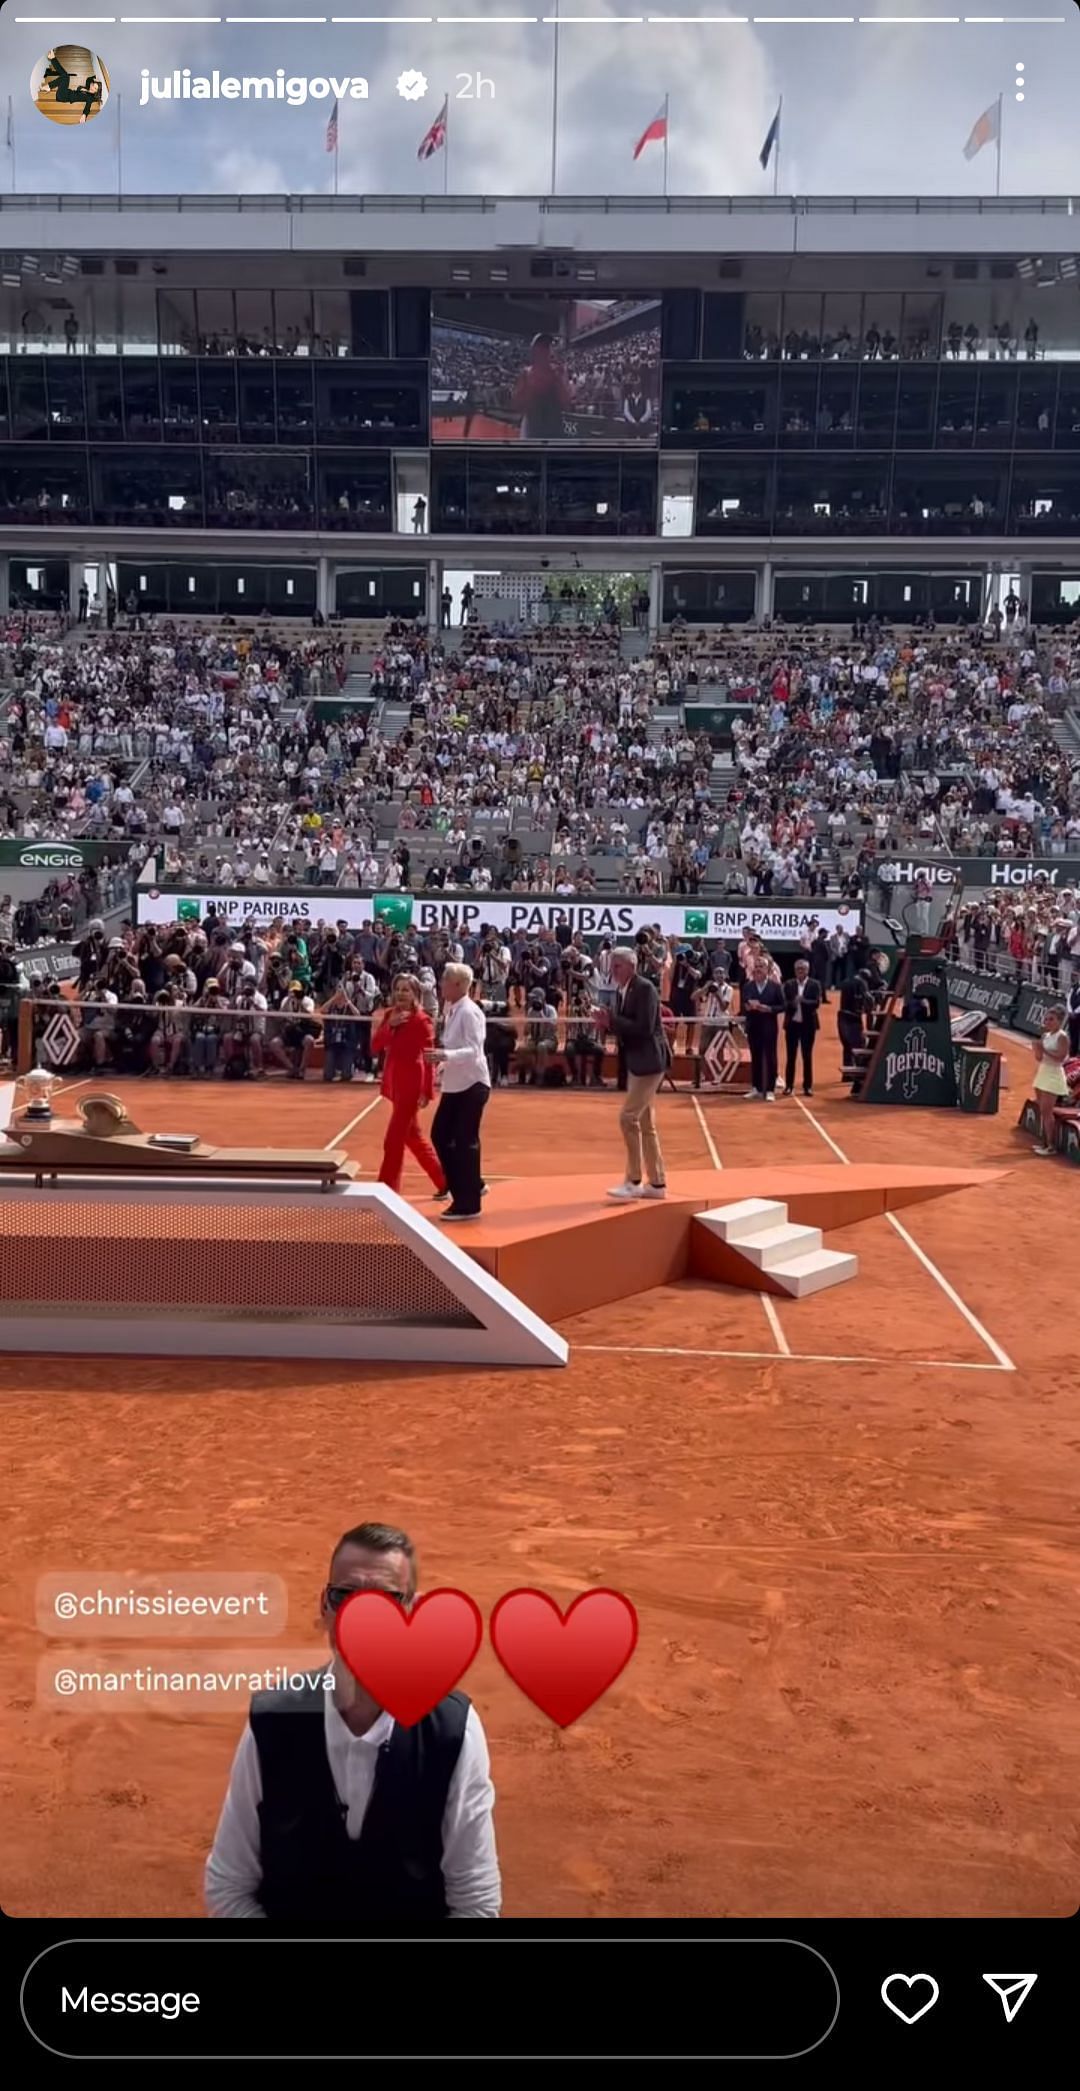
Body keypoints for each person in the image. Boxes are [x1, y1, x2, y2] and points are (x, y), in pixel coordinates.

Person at [204, 1521, 500, 1920]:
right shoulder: (271, 1724)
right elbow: (229, 1885)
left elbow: (475, 1904)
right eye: (346, 1596)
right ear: (324, 1606)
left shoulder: (455, 1732)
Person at [600, 945, 668, 1201]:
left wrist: (612, 1021)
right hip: (638, 1062)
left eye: (617, 966)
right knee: (647, 1124)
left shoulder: (645, 988)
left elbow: (644, 1027)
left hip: (649, 1063)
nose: (613, 970)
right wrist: (607, 1024)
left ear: (631, 966)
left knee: (628, 1118)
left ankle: (634, 1180)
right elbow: (627, 1028)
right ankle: (657, 1183)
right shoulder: (624, 989)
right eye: (612, 966)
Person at [426, 964, 490, 1222]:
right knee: (440, 1135)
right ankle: (471, 1184)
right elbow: (455, 1048)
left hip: (472, 1085)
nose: (440, 984)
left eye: (444, 980)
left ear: (458, 985)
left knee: (464, 1141)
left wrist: (445, 1055)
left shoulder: (469, 1012)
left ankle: (468, 1204)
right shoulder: (451, 1010)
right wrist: (442, 1065)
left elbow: (473, 1051)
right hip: (455, 1084)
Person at [372, 974, 446, 1197]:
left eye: (406, 990)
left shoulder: (421, 1021)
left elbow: (429, 1057)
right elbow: (375, 1046)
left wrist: (426, 1090)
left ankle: (386, 1191)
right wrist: (390, 1026)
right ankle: (445, 1181)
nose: (401, 994)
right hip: (394, 1083)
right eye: (398, 989)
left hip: (411, 1085)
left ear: (416, 994)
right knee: (412, 1137)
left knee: (393, 1141)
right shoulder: (389, 1015)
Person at [741, 954, 784, 1101]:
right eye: (756, 966)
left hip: (769, 1026)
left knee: (770, 1057)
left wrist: (769, 1009)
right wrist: (748, 1006)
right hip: (754, 1025)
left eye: (761, 966)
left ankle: (770, 1090)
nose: (758, 969)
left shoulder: (776, 987)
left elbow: (783, 1006)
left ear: (768, 969)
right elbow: (744, 1004)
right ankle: (756, 1088)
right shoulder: (748, 986)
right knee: (756, 1057)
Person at [1031, 1004, 1070, 1157]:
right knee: (1042, 1111)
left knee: (1047, 1112)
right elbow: (1039, 1059)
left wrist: (1044, 1049)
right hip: (1042, 1073)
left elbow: (1060, 1058)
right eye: (1046, 1019)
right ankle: (1045, 1143)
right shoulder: (1045, 1036)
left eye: (1051, 1019)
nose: (1047, 1022)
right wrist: (1038, 1049)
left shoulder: (1062, 1037)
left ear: (1059, 1021)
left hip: (1053, 1076)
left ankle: (1051, 1146)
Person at [781, 957, 822, 1098]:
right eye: (798, 969)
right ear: (795, 970)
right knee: (791, 1056)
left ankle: (807, 1086)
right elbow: (784, 1003)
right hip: (792, 1025)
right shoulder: (789, 984)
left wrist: (802, 1001)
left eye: (803, 969)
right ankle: (789, 1086)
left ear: (807, 970)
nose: (800, 971)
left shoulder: (815, 984)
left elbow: (816, 1003)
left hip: (808, 1025)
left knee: (807, 1056)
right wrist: (793, 1002)